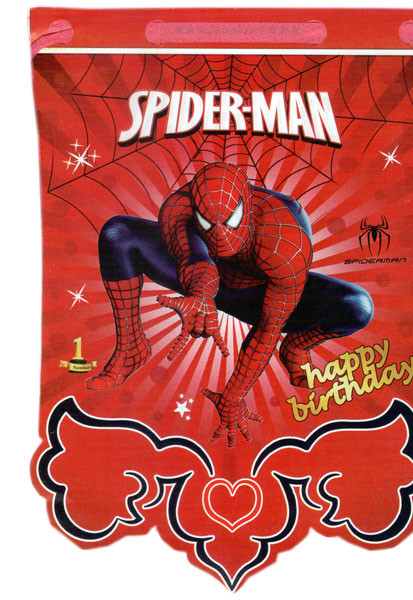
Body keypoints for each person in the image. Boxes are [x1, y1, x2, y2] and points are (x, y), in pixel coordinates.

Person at [87, 162, 373, 447]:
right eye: (208, 224)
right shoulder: (178, 207)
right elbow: (195, 260)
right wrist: (201, 298)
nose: (221, 236)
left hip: (259, 295)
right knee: (117, 233)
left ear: (247, 207)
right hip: (207, 281)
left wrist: (233, 396)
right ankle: (131, 347)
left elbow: (269, 328)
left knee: (356, 307)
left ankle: (296, 347)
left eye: (231, 221)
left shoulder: (285, 234)